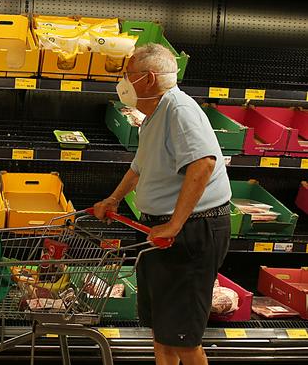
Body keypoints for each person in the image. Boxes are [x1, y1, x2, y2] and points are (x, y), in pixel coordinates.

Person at [94, 43, 232, 365]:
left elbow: (204, 164)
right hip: (165, 232)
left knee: (183, 338)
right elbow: (139, 167)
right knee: (163, 333)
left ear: (148, 79)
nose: (123, 83)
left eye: (128, 75)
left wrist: (175, 224)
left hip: (193, 232)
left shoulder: (179, 110)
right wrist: (114, 199)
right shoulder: (154, 114)